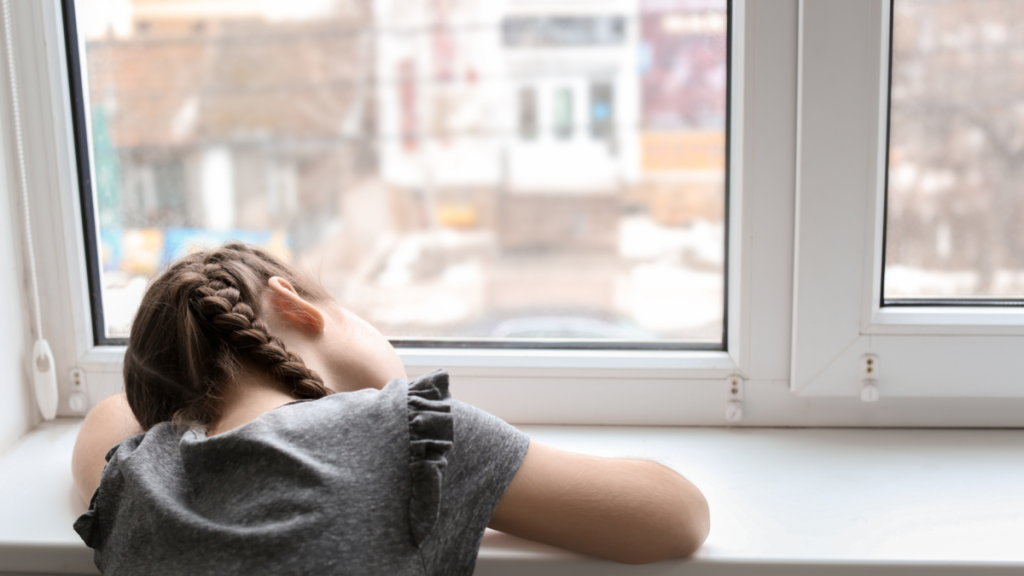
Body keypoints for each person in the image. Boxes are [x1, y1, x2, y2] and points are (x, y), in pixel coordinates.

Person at [71, 242, 710, 575]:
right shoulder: (403, 433)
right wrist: (459, 491)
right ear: (296, 305)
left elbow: (108, 415)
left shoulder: (138, 481)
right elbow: (676, 517)